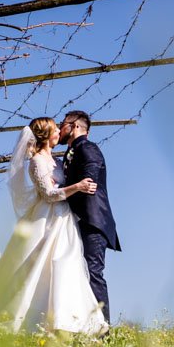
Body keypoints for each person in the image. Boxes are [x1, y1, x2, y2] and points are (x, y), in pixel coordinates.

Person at [0, 117, 109, 335]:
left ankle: (64, 320)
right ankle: (27, 318)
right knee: (38, 265)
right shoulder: (37, 161)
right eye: (56, 129)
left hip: (64, 219)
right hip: (47, 218)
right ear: (46, 135)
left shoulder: (57, 160)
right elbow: (48, 194)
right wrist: (77, 186)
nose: (59, 132)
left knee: (65, 264)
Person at [58, 110, 120, 323]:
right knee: (77, 273)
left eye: (62, 124)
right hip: (76, 221)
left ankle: (103, 330)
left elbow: (89, 178)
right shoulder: (70, 152)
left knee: (93, 273)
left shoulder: (87, 147)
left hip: (92, 221)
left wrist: (74, 186)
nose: (59, 128)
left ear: (75, 126)